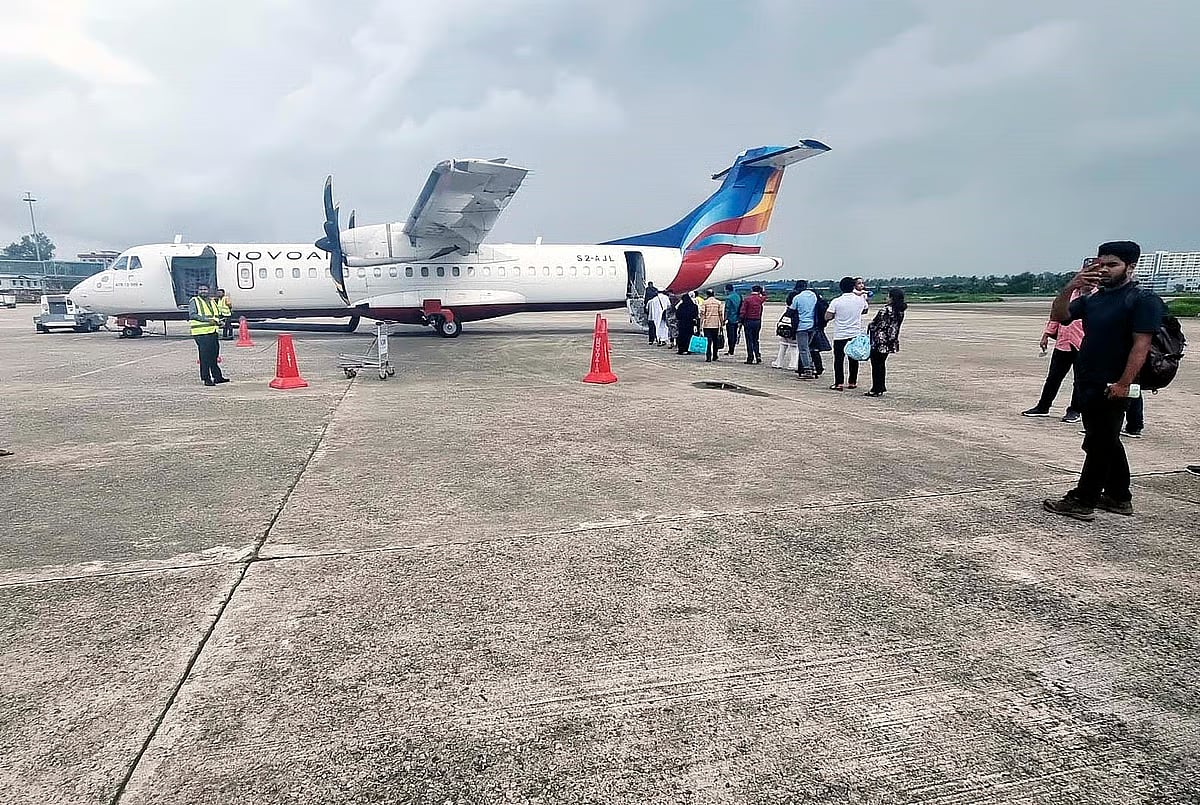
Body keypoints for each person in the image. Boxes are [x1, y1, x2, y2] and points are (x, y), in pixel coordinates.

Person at [1043, 241, 1165, 521]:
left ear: (1130, 267)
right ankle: (1118, 497)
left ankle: (1083, 500)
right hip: (1088, 379)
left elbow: (1141, 346)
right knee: (1104, 440)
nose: (1105, 270)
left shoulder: (1141, 299)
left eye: (1113, 265)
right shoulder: (1094, 298)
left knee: (1099, 443)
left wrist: (1123, 384)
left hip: (1114, 383)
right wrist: (1070, 286)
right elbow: (1059, 315)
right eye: (1101, 265)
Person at [1022, 289, 1085, 422]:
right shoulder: (1069, 295)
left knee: (1080, 381)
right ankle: (1043, 407)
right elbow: (1056, 316)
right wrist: (1046, 335)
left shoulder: (1096, 296)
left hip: (1084, 345)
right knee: (1053, 378)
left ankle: (1074, 410)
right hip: (1063, 343)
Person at [824, 276, 868, 390]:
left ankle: (838, 383)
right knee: (853, 358)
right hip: (855, 333)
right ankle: (852, 382)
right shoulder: (860, 300)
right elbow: (865, 310)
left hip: (840, 334)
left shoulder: (836, 301)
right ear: (853, 286)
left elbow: (827, 316)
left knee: (839, 360)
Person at [863, 288, 907, 397]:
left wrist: (870, 326)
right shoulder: (900, 311)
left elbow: (876, 324)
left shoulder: (885, 310)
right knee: (882, 364)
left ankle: (876, 388)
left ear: (892, 298)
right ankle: (880, 387)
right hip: (890, 341)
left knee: (876, 365)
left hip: (880, 341)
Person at [189, 284, 229, 387]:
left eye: (205, 289)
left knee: (214, 355)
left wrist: (220, 321)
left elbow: (215, 315)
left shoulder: (212, 301)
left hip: (212, 331)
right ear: (198, 291)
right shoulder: (194, 301)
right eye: (201, 289)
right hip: (201, 333)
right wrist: (208, 320)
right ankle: (206, 378)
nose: (203, 291)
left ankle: (217, 377)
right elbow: (192, 315)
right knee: (204, 356)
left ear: (208, 290)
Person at [790, 280, 818, 380]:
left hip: (801, 326)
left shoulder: (797, 298)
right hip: (813, 326)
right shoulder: (813, 295)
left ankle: (808, 370)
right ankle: (813, 367)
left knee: (803, 349)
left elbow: (791, 311)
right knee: (808, 348)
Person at [738, 285, 766, 364]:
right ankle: (758, 356)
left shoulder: (747, 299)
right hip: (757, 321)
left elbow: (743, 311)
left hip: (748, 321)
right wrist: (763, 291)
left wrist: (740, 320)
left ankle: (750, 357)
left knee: (749, 340)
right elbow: (765, 296)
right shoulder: (760, 299)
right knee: (756, 339)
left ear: (752, 290)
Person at [810, 289, 831, 377]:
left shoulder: (815, 304)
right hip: (820, 328)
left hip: (814, 328)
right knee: (814, 349)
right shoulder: (823, 304)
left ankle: (815, 367)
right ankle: (818, 367)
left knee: (811, 349)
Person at [700, 289, 725, 362]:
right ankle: (715, 356)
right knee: (715, 341)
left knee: (708, 341)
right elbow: (720, 314)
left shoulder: (705, 303)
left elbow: (702, 315)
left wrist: (700, 326)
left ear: (707, 295)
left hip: (707, 325)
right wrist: (722, 323)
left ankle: (708, 357)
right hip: (715, 324)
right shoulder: (718, 303)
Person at [723, 283, 742, 355]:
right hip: (737, 318)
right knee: (734, 334)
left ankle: (731, 350)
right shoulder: (738, 296)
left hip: (731, 319)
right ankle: (732, 349)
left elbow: (727, 309)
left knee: (730, 335)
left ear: (726, 289)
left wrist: (724, 319)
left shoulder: (728, 298)